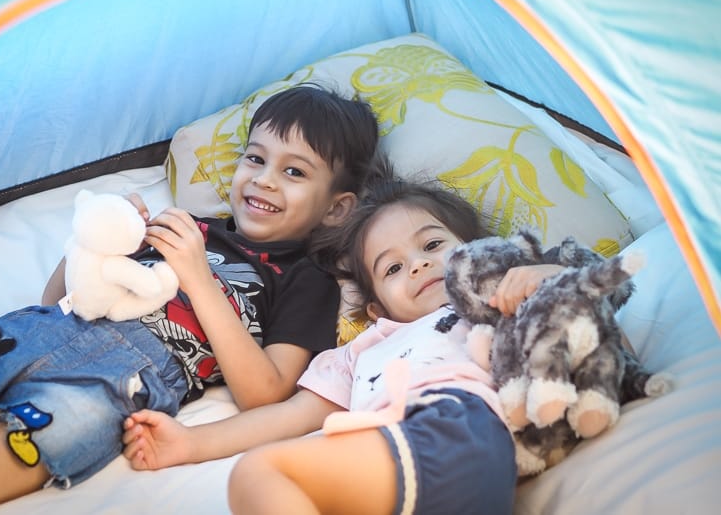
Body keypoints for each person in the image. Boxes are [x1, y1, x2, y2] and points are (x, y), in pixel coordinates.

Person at [0, 84, 380, 515]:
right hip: (43, 329)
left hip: (111, 384)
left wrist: (198, 278)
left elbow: (266, 392)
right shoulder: (192, 225)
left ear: (337, 208)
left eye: (294, 171)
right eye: (255, 158)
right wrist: (98, 243)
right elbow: (57, 298)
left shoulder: (307, 278)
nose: (264, 179)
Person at [121, 171, 564, 515]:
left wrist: (544, 276)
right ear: (377, 310)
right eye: (392, 269)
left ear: (482, 250)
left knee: (260, 474)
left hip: (454, 430)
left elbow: (588, 315)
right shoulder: (364, 350)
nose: (418, 265)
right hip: (400, 471)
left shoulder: (494, 300)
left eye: (432, 244)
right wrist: (191, 443)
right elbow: (289, 415)